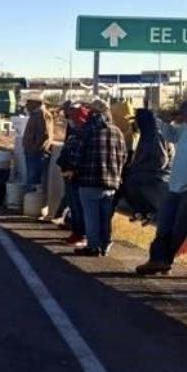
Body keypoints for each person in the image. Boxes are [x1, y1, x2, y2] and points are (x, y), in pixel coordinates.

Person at [135, 101, 187, 275]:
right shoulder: (186, 130)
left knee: (178, 229)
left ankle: (162, 260)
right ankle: (157, 260)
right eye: (184, 115)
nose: (186, 119)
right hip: (174, 186)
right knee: (164, 225)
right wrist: (167, 122)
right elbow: (170, 136)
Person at [72, 99, 127, 256]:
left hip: (89, 179)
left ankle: (93, 245)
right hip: (111, 181)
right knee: (105, 216)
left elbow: (77, 154)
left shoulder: (87, 130)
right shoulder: (117, 132)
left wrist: (75, 170)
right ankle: (105, 244)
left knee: (91, 216)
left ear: (93, 112)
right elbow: (123, 156)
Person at [121, 107, 172, 222]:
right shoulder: (146, 134)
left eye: (137, 121)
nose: (136, 124)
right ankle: (141, 211)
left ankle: (146, 211)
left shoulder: (155, 135)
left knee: (131, 180)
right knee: (126, 178)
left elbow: (161, 161)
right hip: (146, 173)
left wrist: (138, 168)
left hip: (157, 175)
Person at [56, 104, 91, 247]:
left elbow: (81, 155)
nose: (71, 121)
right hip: (70, 173)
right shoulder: (76, 132)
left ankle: (81, 234)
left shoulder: (85, 134)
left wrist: (73, 170)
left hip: (77, 175)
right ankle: (76, 232)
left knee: (78, 207)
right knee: (74, 205)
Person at [22, 94, 53, 194]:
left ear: (36, 103)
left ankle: (33, 204)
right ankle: (32, 203)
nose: (26, 105)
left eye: (29, 103)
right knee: (32, 179)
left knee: (33, 180)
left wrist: (34, 148)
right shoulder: (36, 114)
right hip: (33, 152)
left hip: (36, 153)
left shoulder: (41, 114)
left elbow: (44, 134)